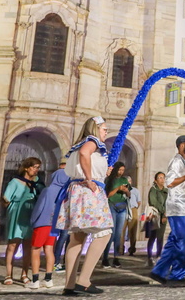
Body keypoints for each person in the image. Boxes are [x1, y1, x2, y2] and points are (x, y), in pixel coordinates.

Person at [55, 116, 115, 295]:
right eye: (104, 129)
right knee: (104, 233)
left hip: (76, 190)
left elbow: (82, 158)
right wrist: (90, 179)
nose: (106, 132)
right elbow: (84, 154)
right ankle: (84, 279)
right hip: (88, 191)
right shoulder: (92, 141)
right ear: (96, 129)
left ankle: (70, 284)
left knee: (77, 238)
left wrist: (102, 172)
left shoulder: (80, 143)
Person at [150, 135, 185, 285]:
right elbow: (169, 183)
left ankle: (159, 271)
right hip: (178, 207)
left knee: (174, 241)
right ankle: (177, 275)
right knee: (183, 240)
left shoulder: (184, 162)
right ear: (182, 145)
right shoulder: (177, 161)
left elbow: (181, 185)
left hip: (183, 206)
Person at [26, 164, 69, 289]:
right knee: (49, 250)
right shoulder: (65, 192)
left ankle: (35, 280)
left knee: (35, 250)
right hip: (54, 224)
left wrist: (33, 220)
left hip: (42, 223)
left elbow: (39, 207)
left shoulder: (48, 190)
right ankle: (48, 279)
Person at [2, 156, 41, 285]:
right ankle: (8, 274)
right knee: (13, 244)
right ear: (26, 167)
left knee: (28, 246)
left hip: (30, 214)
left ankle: (24, 273)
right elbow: (6, 198)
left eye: (38, 168)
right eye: (34, 167)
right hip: (17, 213)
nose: (36, 170)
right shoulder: (15, 181)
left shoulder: (36, 183)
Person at [102, 161, 130, 269]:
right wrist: (118, 189)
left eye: (123, 170)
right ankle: (105, 257)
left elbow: (129, 194)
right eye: (119, 170)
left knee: (118, 234)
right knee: (111, 233)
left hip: (122, 208)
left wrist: (126, 191)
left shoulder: (124, 180)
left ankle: (116, 258)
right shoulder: (110, 180)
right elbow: (108, 195)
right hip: (112, 206)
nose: (121, 172)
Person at [146, 171, 167, 266]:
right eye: (160, 178)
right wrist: (163, 211)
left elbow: (169, 202)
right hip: (155, 216)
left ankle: (158, 256)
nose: (162, 180)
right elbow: (153, 202)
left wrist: (165, 214)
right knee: (153, 237)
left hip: (164, 216)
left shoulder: (166, 191)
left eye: (163, 177)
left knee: (160, 237)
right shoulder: (153, 190)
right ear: (155, 180)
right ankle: (150, 256)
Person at [123, 176, 141, 256]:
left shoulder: (136, 191)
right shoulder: (121, 190)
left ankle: (132, 249)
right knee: (121, 230)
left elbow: (139, 201)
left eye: (129, 181)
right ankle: (120, 249)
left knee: (133, 230)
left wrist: (136, 208)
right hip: (124, 209)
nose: (128, 182)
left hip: (133, 209)